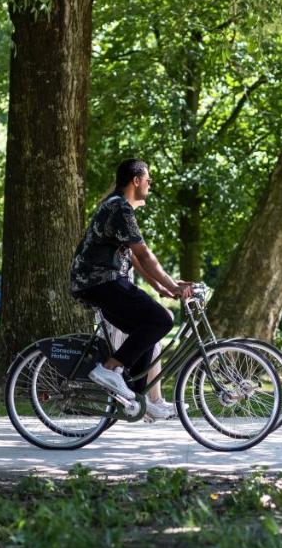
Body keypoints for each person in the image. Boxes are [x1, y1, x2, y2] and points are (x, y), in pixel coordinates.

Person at [70, 159, 194, 420]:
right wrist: (171, 286)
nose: (150, 184)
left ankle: (139, 402)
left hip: (99, 282)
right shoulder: (120, 209)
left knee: (147, 329)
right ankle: (110, 369)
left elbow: (137, 260)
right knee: (162, 319)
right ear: (136, 180)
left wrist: (164, 287)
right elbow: (144, 255)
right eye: (148, 179)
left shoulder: (118, 208)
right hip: (101, 281)